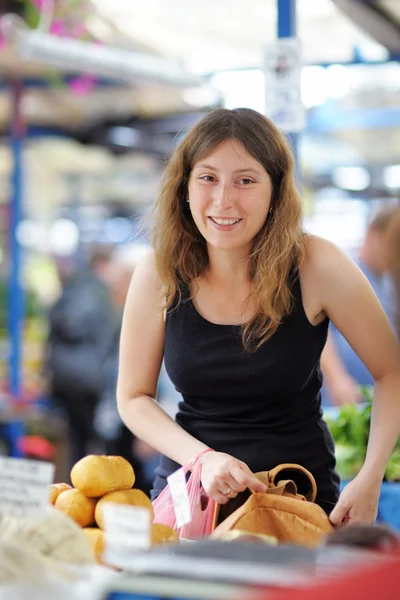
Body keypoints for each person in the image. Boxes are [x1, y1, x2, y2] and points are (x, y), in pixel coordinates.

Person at [117, 108, 400, 527]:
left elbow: (391, 371)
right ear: (184, 187)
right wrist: (203, 459)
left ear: (276, 190)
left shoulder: (316, 264)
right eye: (208, 178)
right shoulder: (159, 272)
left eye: (245, 180)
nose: (223, 199)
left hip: (297, 503)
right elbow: (133, 398)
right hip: (191, 504)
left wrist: (372, 475)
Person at [321, 207, 400, 406]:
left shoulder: (386, 283)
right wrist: (337, 378)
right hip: (339, 402)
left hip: (371, 400)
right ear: (373, 233)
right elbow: (317, 326)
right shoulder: (346, 271)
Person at [46, 248, 116, 469]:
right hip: (83, 379)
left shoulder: (78, 289)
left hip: (69, 376)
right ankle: (83, 489)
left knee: (78, 439)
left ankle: (80, 486)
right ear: (101, 265)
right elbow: (73, 325)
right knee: (85, 441)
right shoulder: (92, 291)